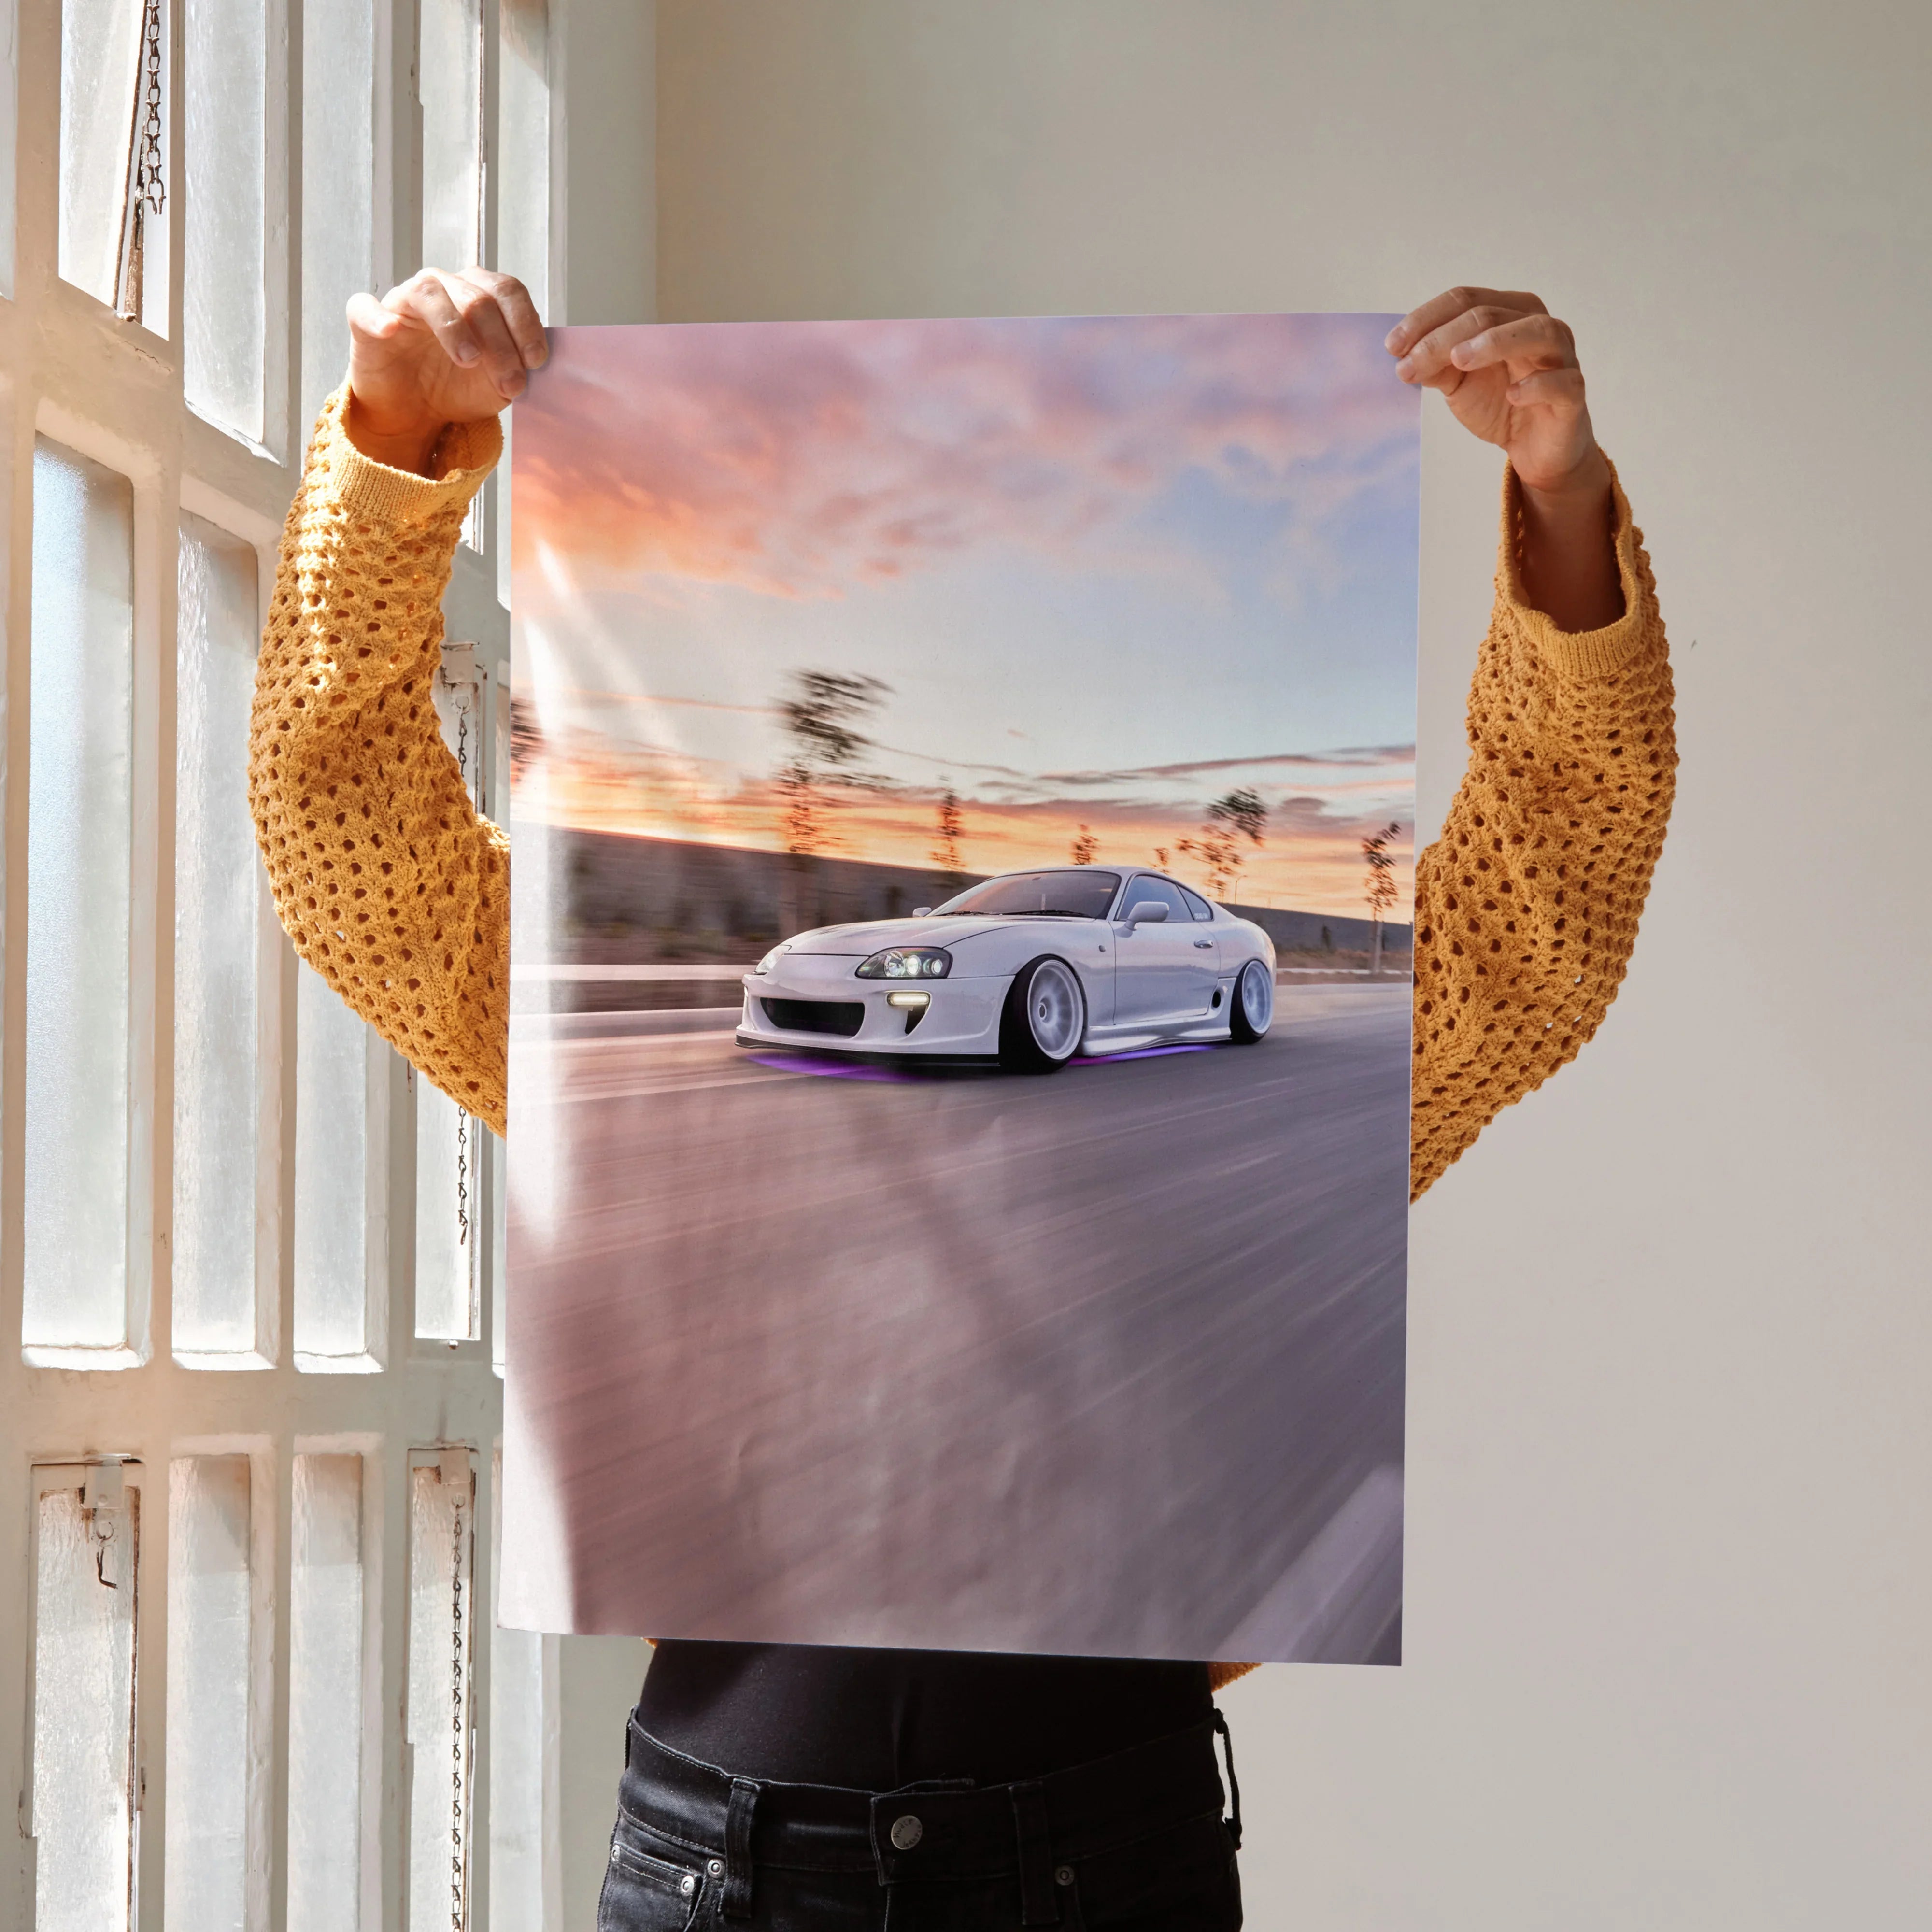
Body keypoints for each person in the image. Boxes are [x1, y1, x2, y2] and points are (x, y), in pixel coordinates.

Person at [250, 270, 1675, 1929]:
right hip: (726, 1867)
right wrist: (393, 444)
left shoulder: (1245, 1065)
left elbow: (1543, 917)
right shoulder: (666, 1074)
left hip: (1101, 1857)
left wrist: (1561, 499)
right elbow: (349, 848)